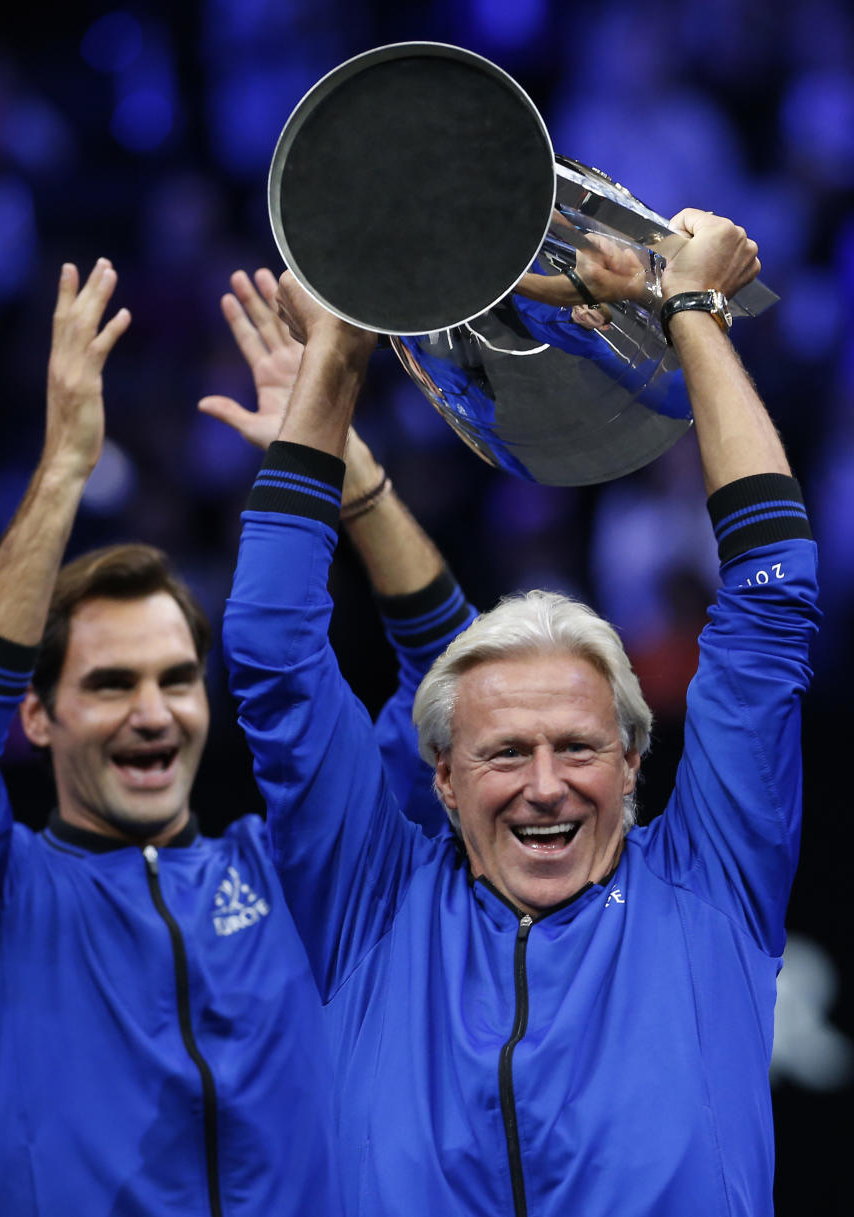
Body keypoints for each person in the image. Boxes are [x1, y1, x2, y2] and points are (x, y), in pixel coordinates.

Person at [222, 209, 819, 1217]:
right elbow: (272, 651)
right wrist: (334, 362)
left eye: (579, 745)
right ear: (444, 779)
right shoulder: (372, 903)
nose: (546, 783)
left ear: (633, 763)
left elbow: (771, 596)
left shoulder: (711, 884)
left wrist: (692, 310)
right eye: (505, 751)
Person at [0, 259, 473, 1217]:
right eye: (111, 684)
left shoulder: (295, 880)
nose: (155, 711)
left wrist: (347, 470)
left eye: (175, 678)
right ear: (35, 717)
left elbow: (457, 697)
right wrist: (63, 471)